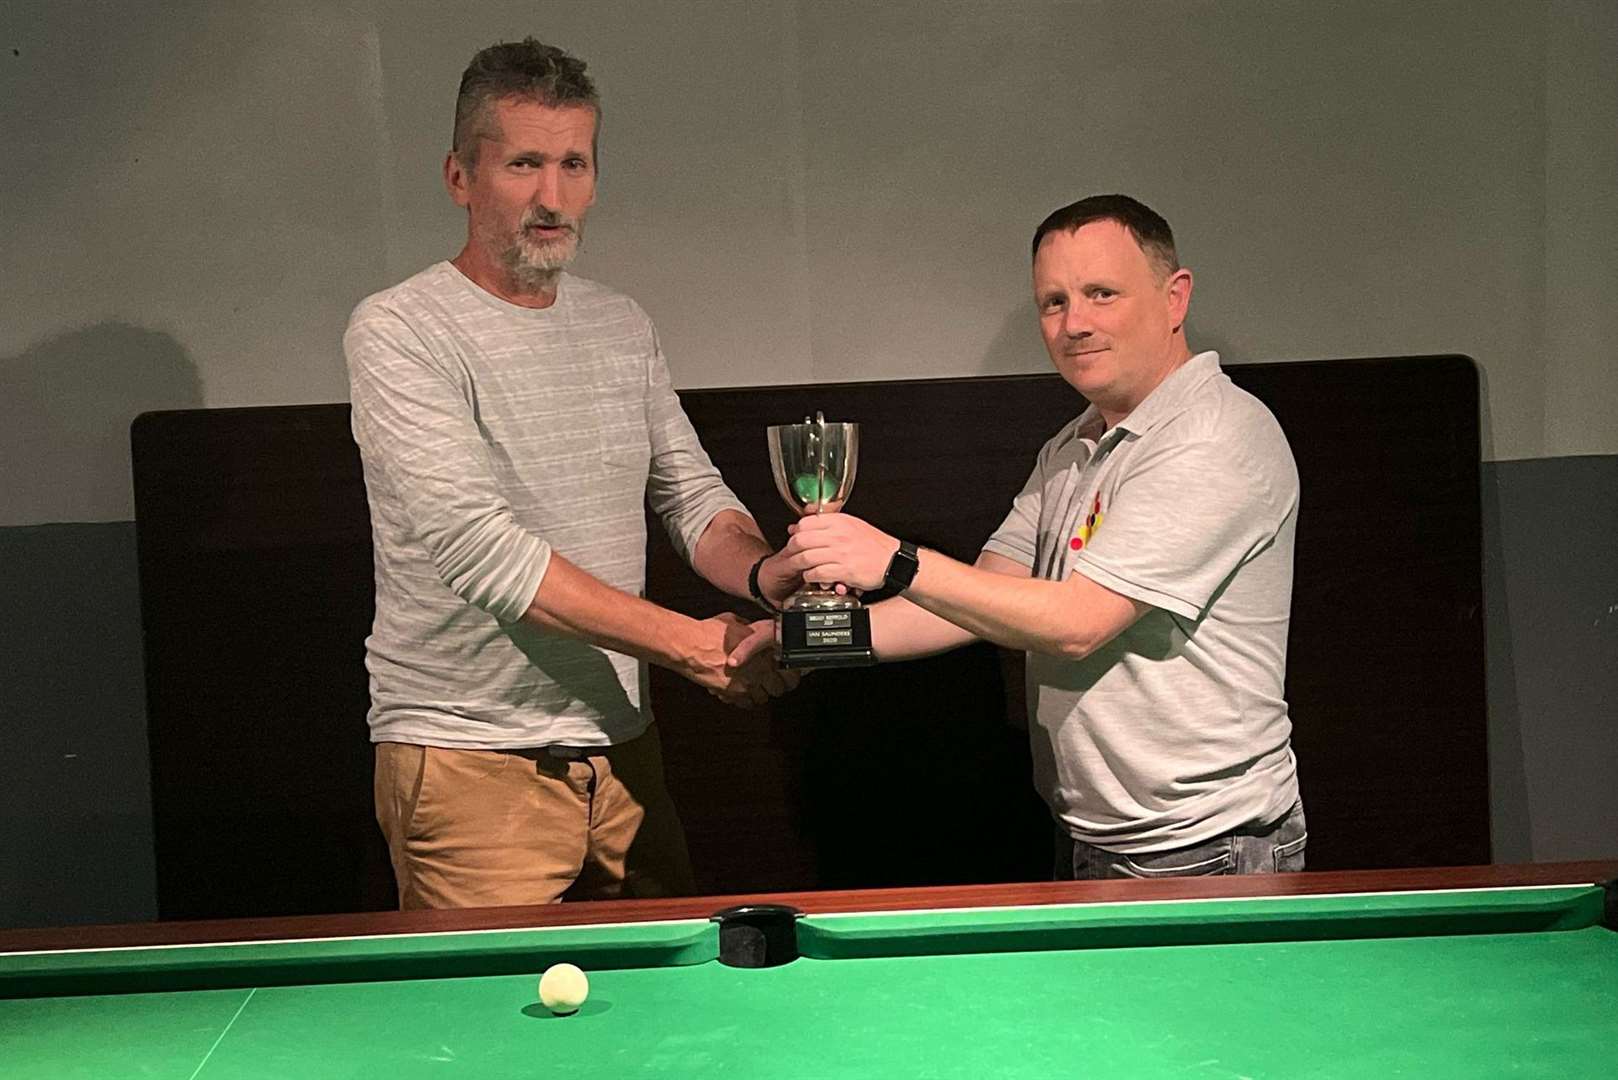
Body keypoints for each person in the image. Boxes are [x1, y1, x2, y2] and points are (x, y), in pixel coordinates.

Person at [343, 38, 799, 909]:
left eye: (572, 164)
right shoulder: (400, 328)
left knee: (663, 1030)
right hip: (469, 766)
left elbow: (690, 494)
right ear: (459, 177)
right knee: (484, 1040)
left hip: (625, 754)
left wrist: (765, 572)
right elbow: (481, 552)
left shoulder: (621, 322)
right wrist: (689, 644)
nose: (551, 196)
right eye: (522, 163)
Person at [781, 195, 1305, 879]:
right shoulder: (1075, 443)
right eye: (1053, 302)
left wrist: (894, 560)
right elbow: (988, 596)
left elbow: (1080, 624)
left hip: (1202, 850)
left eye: (1101, 294)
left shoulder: (1212, 436)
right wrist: (803, 643)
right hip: (1095, 838)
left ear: (1175, 298)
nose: (1074, 323)